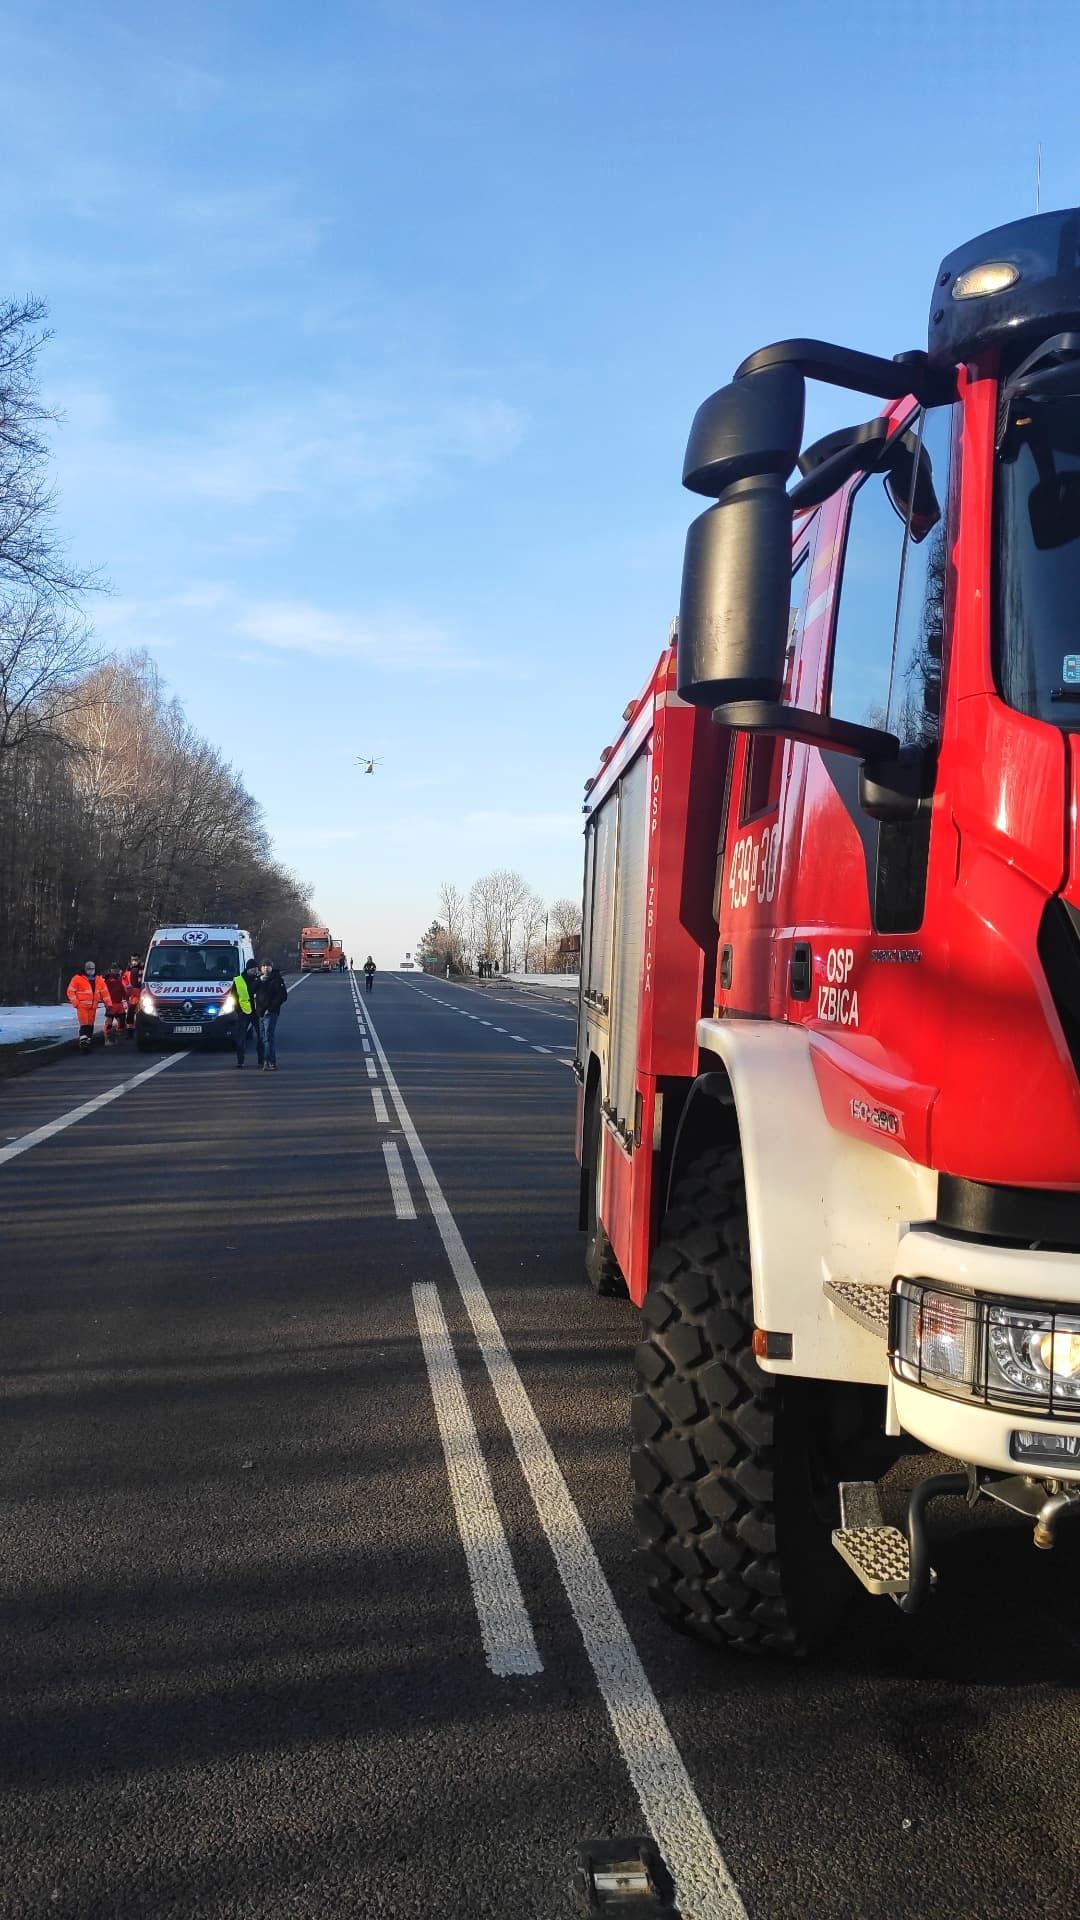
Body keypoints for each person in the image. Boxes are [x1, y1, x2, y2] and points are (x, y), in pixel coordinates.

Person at [66, 961, 109, 1054]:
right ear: (85, 969)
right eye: (89, 969)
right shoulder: (77, 979)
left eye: (92, 969)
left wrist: (108, 1004)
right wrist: (76, 1003)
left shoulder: (98, 980)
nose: (91, 971)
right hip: (82, 1006)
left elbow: (105, 993)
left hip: (93, 1007)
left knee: (90, 1026)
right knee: (84, 1025)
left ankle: (87, 1043)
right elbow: (70, 991)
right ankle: (83, 1043)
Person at [253, 958, 288, 1069]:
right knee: (263, 1037)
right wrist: (259, 981)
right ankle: (265, 1060)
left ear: (271, 967)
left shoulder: (277, 980)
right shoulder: (259, 980)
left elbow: (282, 996)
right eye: (264, 966)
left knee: (268, 1036)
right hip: (260, 1012)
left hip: (271, 1012)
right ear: (261, 968)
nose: (266, 968)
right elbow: (251, 990)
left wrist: (271, 1007)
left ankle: (270, 1061)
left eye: (268, 966)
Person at [232, 959, 260, 1068]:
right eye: (253, 968)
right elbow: (233, 996)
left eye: (256, 968)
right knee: (241, 1038)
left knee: (261, 1037)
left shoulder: (259, 979)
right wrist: (238, 1010)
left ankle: (261, 1060)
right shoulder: (239, 980)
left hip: (257, 1012)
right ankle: (240, 1061)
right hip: (243, 1012)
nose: (255, 970)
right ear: (248, 968)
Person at [101, 963, 127, 1045]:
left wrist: (126, 997)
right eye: (114, 969)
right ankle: (107, 1038)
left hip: (119, 1003)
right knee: (109, 1021)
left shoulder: (118, 979)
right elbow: (103, 991)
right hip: (111, 1003)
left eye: (117, 969)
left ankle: (118, 1037)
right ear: (111, 970)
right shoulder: (107, 979)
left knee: (122, 1020)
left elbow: (122, 990)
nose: (116, 970)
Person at [122, 953, 143, 1033]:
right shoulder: (128, 971)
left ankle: (138, 1029)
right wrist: (127, 989)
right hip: (132, 995)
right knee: (131, 1013)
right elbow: (124, 981)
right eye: (133, 960)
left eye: (136, 959)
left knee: (141, 1013)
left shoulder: (143, 968)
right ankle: (130, 1030)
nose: (134, 961)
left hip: (141, 994)